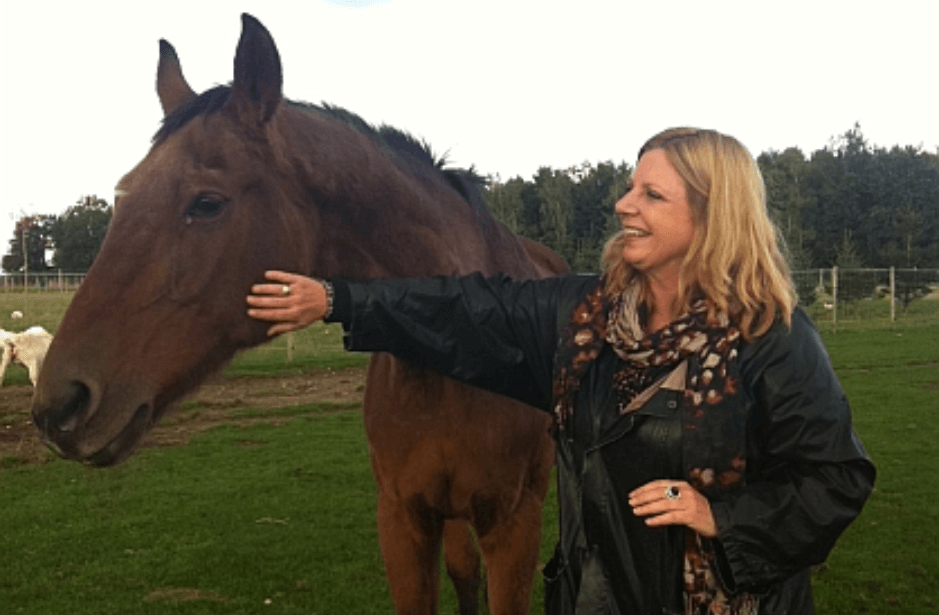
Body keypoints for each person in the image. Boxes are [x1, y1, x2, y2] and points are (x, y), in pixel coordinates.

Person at [246, 127, 875, 615]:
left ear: (714, 217)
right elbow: (467, 310)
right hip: (594, 596)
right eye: (630, 187)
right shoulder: (586, 316)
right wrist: (338, 300)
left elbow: (836, 479)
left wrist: (724, 519)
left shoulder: (770, 337)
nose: (624, 205)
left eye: (652, 195)